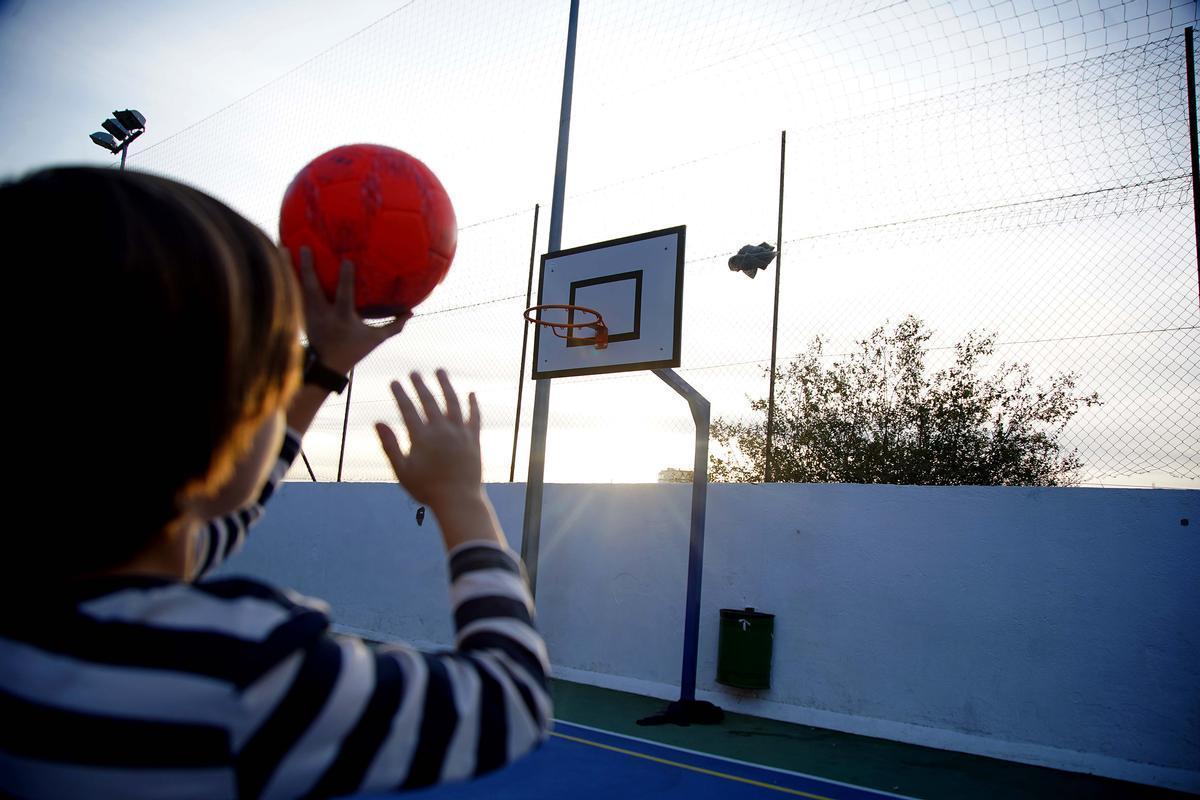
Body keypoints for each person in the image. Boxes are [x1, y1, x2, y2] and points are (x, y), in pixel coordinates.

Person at [0, 167, 552, 799]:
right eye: (269, 375)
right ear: (212, 429)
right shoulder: (235, 669)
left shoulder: (31, 607)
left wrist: (323, 367)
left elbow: (224, 513)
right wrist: (464, 501)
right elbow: (510, 699)